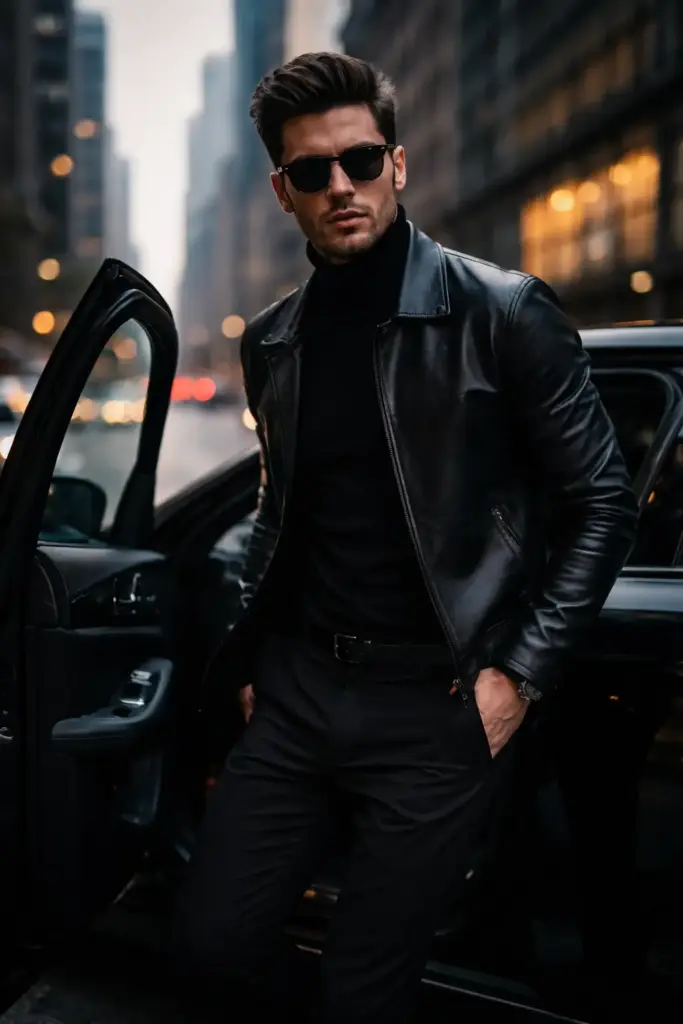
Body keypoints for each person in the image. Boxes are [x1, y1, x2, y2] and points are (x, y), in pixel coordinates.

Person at [172, 51, 638, 1023]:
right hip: (299, 692)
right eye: (312, 172)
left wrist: (517, 673)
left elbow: (601, 499)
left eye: (360, 160)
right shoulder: (272, 342)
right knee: (207, 946)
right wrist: (255, 655)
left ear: (397, 162)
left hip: (438, 699)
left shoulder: (499, 311)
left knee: (362, 989)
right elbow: (278, 507)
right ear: (281, 191)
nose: (340, 187)